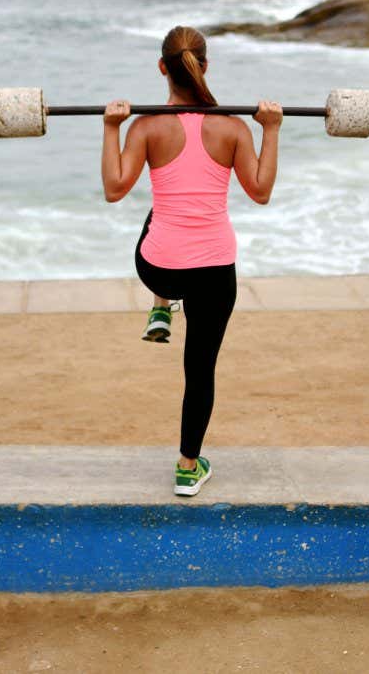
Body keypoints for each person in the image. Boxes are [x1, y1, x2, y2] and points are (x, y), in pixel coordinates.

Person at [100, 25, 282, 496]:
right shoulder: (234, 128)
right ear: (205, 66)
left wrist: (111, 127)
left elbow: (114, 189)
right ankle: (187, 467)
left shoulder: (145, 127)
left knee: (158, 212)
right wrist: (272, 129)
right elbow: (260, 192)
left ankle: (161, 303)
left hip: (158, 266)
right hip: (214, 273)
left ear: (163, 67)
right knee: (199, 370)